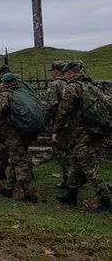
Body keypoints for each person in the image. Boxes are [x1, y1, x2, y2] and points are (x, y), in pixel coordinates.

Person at [52, 61, 111, 211]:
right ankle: (71, 195)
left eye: (65, 73)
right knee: (76, 161)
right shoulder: (91, 85)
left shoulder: (72, 87)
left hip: (82, 131)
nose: (64, 76)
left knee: (87, 165)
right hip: (96, 128)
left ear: (70, 72)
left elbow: (63, 111)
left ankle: (106, 200)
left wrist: (55, 130)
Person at [0, 73, 37, 202]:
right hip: (27, 130)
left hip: (14, 133)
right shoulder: (25, 92)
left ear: (5, 83)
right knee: (17, 159)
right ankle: (8, 189)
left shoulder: (7, 94)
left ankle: (30, 194)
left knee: (19, 162)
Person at [44, 61, 69, 188]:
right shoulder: (71, 82)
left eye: (52, 71)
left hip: (62, 124)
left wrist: (45, 121)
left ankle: (69, 180)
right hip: (75, 124)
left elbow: (51, 105)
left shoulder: (56, 85)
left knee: (63, 154)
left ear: (55, 71)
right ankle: (76, 178)